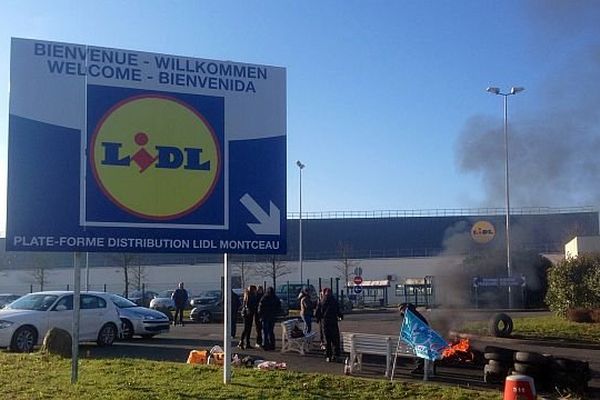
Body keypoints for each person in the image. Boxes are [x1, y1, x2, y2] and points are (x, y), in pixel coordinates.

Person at [399, 302, 429, 374]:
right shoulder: (412, 313)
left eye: (401, 309)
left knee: (418, 351)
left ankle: (421, 368)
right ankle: (421, 367)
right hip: (419, 335)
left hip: (419, 336)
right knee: (419, 351)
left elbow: (413, 325)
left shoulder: (410, 315)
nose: (400, 311)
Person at [315, 287, 343, 362]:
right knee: (335, 339)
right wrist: (340, 316)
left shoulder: (322, 301)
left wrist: (318, 319)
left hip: (325, 322)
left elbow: (317, 312)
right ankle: (336, 355)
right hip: (333, 322)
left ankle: (328, 356)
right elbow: (338, 310)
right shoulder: (334, 301)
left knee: (327, 340)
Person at [257, 286, 281, 350]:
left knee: (265, 331)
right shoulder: (275, 298)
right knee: (271, 331)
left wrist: (260, 315)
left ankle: (265, 344)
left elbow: (260, 308)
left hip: (265, 316)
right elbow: (279, 307)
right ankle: (272, 345)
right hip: (272, 316)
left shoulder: (264, 298)